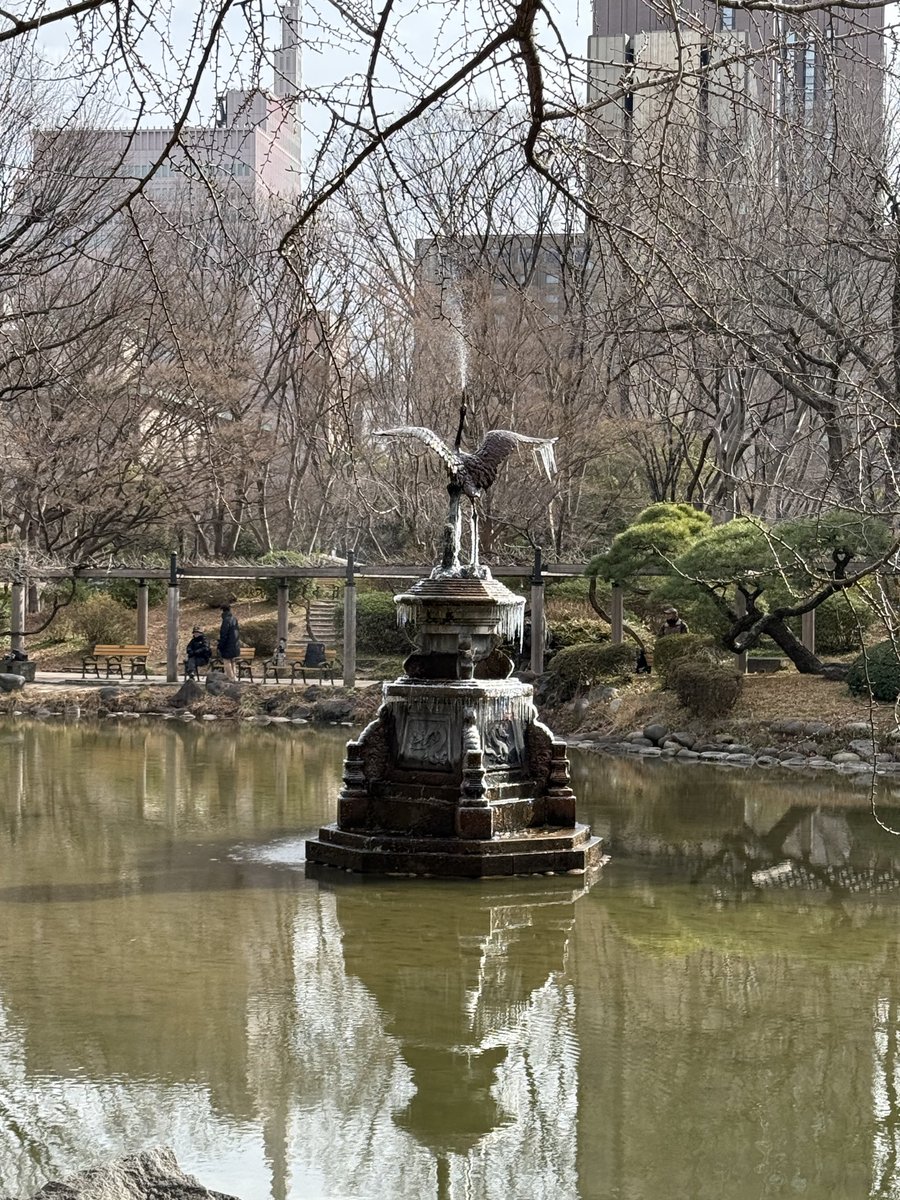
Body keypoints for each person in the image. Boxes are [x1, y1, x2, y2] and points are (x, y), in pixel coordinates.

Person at [217, 604, 241, 680]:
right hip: (235, 644)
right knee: (233, 661)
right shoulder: (234, 619)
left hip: (227, 645)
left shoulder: (225, 620)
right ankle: (234, 677)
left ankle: (230, 677)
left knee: (226, 661)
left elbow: (224, 634)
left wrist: (220, 645)